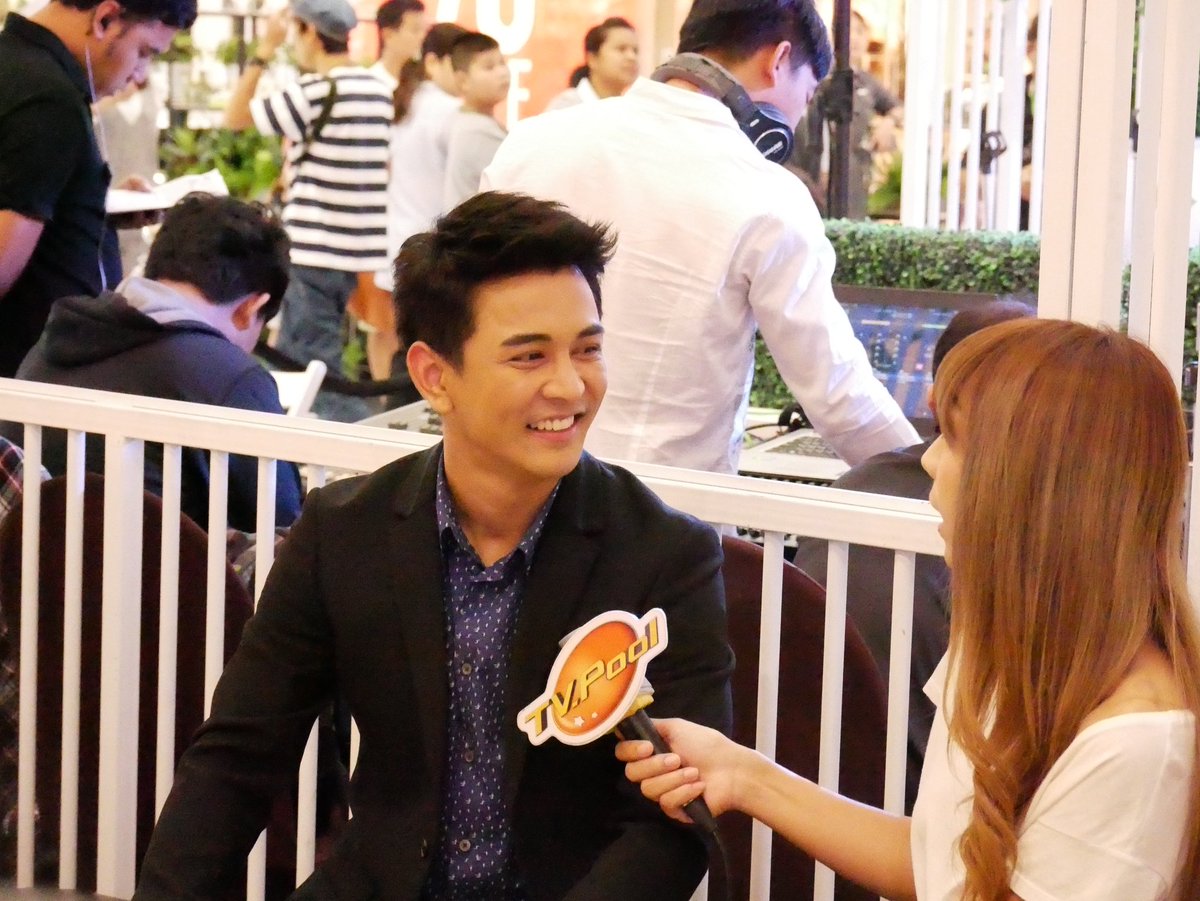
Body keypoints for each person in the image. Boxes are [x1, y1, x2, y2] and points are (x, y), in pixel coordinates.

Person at [133, 191, 734, 901]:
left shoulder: (664, 555)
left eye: (588, 349)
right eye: (530, 356)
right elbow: (237, 759)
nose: (571, 385)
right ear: (433, 376)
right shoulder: (343, 532)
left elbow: (670, 825)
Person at [620, 318, 1200, 901]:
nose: (927, 462)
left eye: (954, 440)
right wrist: (742, 774)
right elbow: (942, 867)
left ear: (1031, 488)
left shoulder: (1135, 744)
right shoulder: (1004, 652)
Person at [484, 0, 917, 475]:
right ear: (777, 60)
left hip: (511, 486)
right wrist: (929, 482)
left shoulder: (530, 143)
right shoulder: (768, 193)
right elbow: (839, 394)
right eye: (808, 94)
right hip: (664, 504)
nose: (798, 117)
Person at [792, 298, 1034, 811]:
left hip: (814, 792)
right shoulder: (1014, 545)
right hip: (932, 816)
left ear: (934, 397)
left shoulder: (853, 488)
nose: (932, 463)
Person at [0, 194, 303, 534]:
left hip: (25, 563)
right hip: (156, 569)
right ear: (252, 307)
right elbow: (287, 529)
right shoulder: (230, 377)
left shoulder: (49, 344)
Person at [0, 0, 197, 378]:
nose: (140, 74)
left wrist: (88, 207)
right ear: (105, 18)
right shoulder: (46, 98)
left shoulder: (18, 67)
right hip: (26, 379)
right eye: (143, 52)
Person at [225, 0, 391, 422]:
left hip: (313, 249)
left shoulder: (316, 91)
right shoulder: (376, 90)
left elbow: (235, 116)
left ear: (310, 33)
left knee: (310, 368)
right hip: (355, 251)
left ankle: (352, 445)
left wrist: (264, 51)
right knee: (322, 357)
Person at [363, 21, 466, 381]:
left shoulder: (406, 100)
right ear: (437, 62)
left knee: (387, 336)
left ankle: (383, 402)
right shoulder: (452, 112)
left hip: (392, 241)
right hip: (433, 249)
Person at [794, 10, 900, 220]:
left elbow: (898, 108)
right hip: (817, 178)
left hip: (856, 180)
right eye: (848, 31)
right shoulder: (819, 77)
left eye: (860, 32)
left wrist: (888, 123)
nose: (854, 38)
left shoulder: (867, 82)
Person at [442, 31, 511, 211]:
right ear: (462, 80)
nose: (503, 72)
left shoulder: (465, 120)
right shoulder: (475, 130)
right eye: (489, 67)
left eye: (502, 63)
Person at [544, 16, 639, 112]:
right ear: (592, 59)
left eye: (635, 51)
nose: (632, 57)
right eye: (621, 49)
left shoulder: (634, 111)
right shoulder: (566, 109)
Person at [369, 0, 426, 90]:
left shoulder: (424, 86)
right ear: (388, 35)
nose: (422, 37)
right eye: (415, 30)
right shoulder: (369, 85)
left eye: (424, 30)